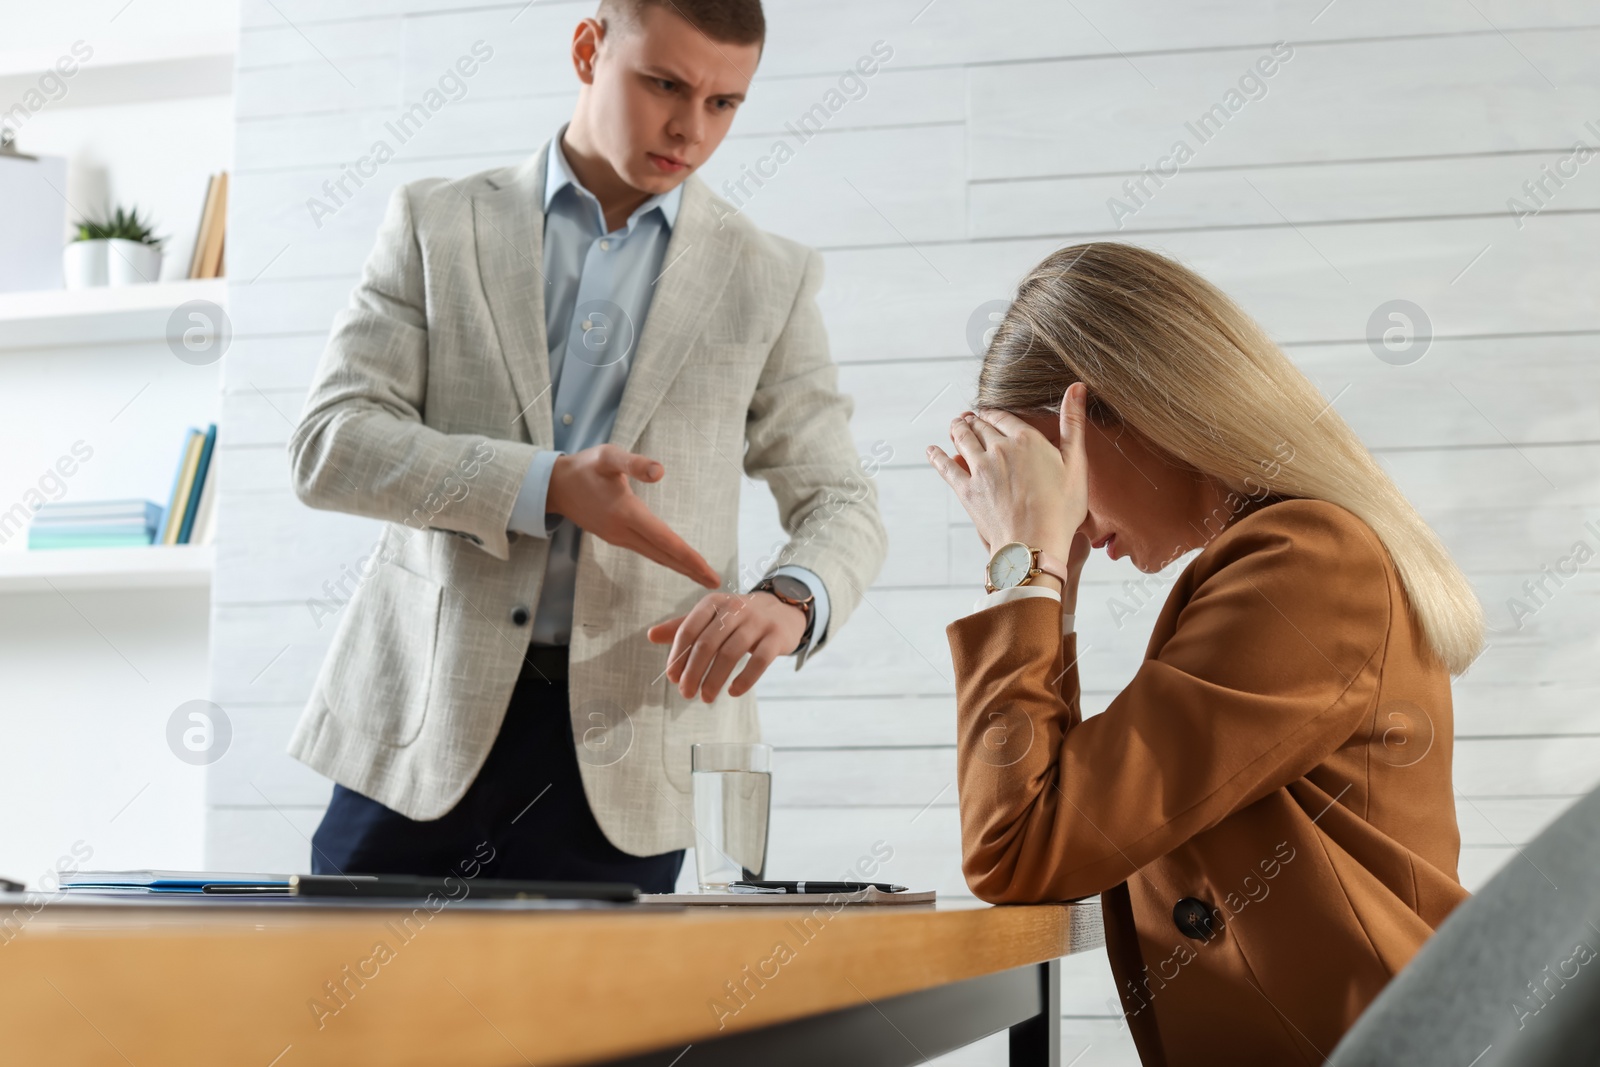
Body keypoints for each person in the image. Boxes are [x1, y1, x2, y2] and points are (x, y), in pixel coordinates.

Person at [285, 0, 886, 893]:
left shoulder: (769, 276)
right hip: (418, 725)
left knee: (591, 1035)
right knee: (352, 1023)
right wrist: (547, 483)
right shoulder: (434, 223)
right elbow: (332, 443)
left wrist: (790, 599)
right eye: (666, 84)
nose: (691, 127)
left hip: (634, 745)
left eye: (725, 103)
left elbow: (841, 499)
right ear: (587, 49)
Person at [926, 242, 1482, 1064]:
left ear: (1125, 406)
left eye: (1054, 476)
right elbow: (1060, 823)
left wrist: (1025, 570)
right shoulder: (1290, 554)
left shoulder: (1308, 564)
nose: (1062, 515)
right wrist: (1051, 583)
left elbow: (1024, 846)